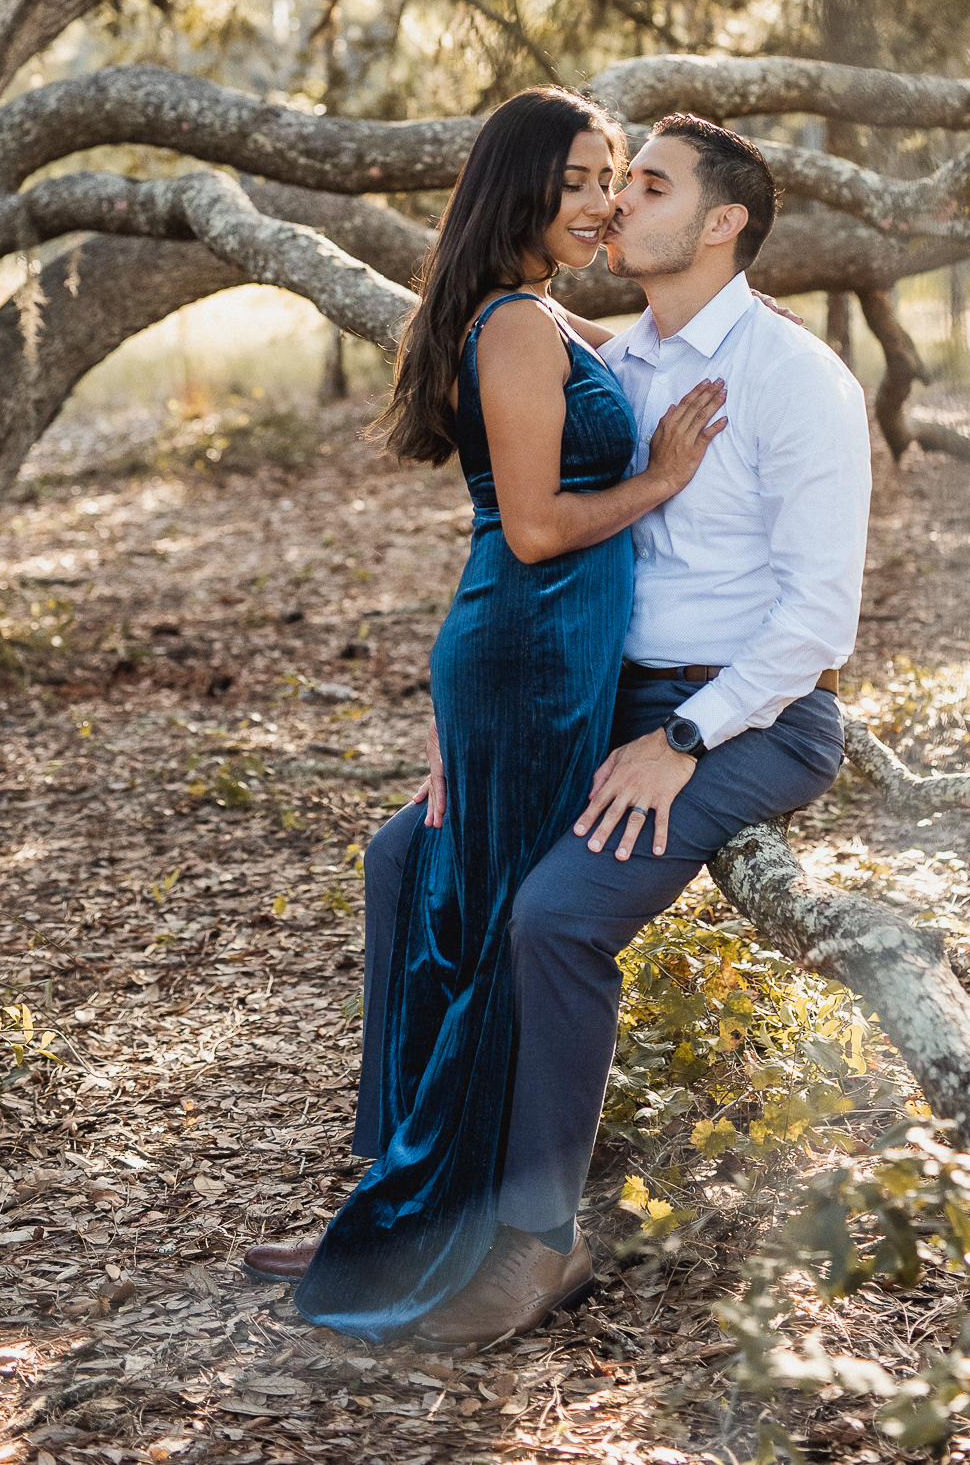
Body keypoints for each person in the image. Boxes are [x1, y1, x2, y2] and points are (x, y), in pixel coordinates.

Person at [249, 87, 728, 1343]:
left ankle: (406, 1191)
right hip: (528, 658)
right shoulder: (516, 326)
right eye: (576, 178)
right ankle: (417, 1206)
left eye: (614, 178)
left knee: (449, 894)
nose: (600, 200)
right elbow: (530, 529)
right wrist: (661, 477)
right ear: (517, 185)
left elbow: (664, 343)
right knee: (484, 915)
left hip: (535, 658)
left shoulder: (545, 316)